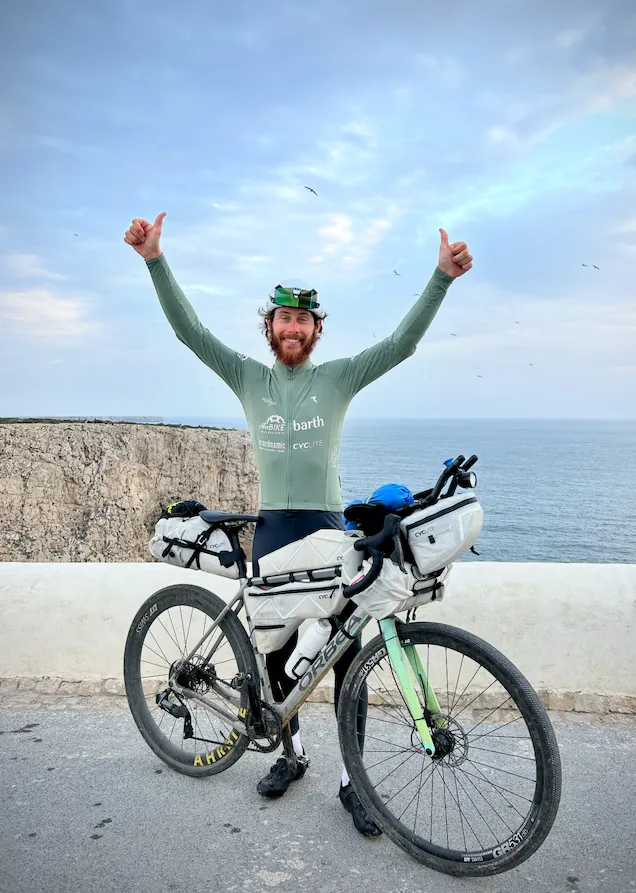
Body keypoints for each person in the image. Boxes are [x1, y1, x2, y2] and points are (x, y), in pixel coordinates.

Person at [123, 212, 473, 837]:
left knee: (344, 661)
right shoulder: (248, 377)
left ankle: (353, 784)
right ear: (271, 327)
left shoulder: (337, 378)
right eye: (283, 318)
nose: (293, 327)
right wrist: (155, 260)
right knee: (279, 660)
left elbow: (400, 346)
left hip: (327, 528)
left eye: (303, 319)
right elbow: (189, 331)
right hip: (274, 530)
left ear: (315, 330)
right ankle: (293, 755)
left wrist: (441, 278)